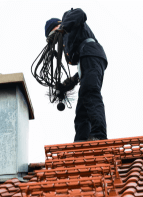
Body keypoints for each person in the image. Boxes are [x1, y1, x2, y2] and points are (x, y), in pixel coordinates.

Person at [45, 8, 108, 142]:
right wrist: (70, 82)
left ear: (56, 27)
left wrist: (62, 28)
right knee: (82, 110)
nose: (56, 41)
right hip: (87, 60)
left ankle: (98, 136)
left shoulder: (68, 18)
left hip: (91, 53)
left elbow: (80, 13)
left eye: (53, 35)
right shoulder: (68, 43)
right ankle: (80, 143)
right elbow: (84, 68)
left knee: (90, 93)